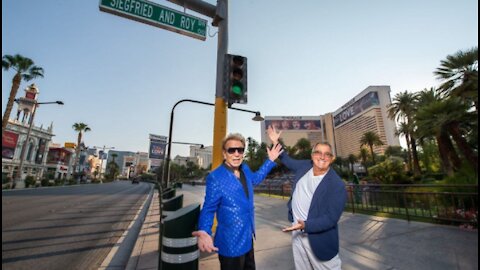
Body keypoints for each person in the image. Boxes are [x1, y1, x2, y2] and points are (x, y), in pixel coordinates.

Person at [192, 133, 283, 270]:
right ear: (224, 153)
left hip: (247, 236)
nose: (236, 154)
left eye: (240, 150)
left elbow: (255, 179)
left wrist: (270, 160)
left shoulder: (245, 169)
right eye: (231, 150)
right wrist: (204, 230)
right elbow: (208, 208)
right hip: (230, 243)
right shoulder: (215, 177)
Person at [267, 125, 347, 270]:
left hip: (318, 239)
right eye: (318, 152)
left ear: (332, 158)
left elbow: (331, 218)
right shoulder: (305, 166)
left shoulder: (337, 185)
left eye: (327, 154)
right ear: (312, 155)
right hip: (297, 232)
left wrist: (305, 225)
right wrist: (276, 142)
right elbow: (287, 159)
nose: (322, 157)